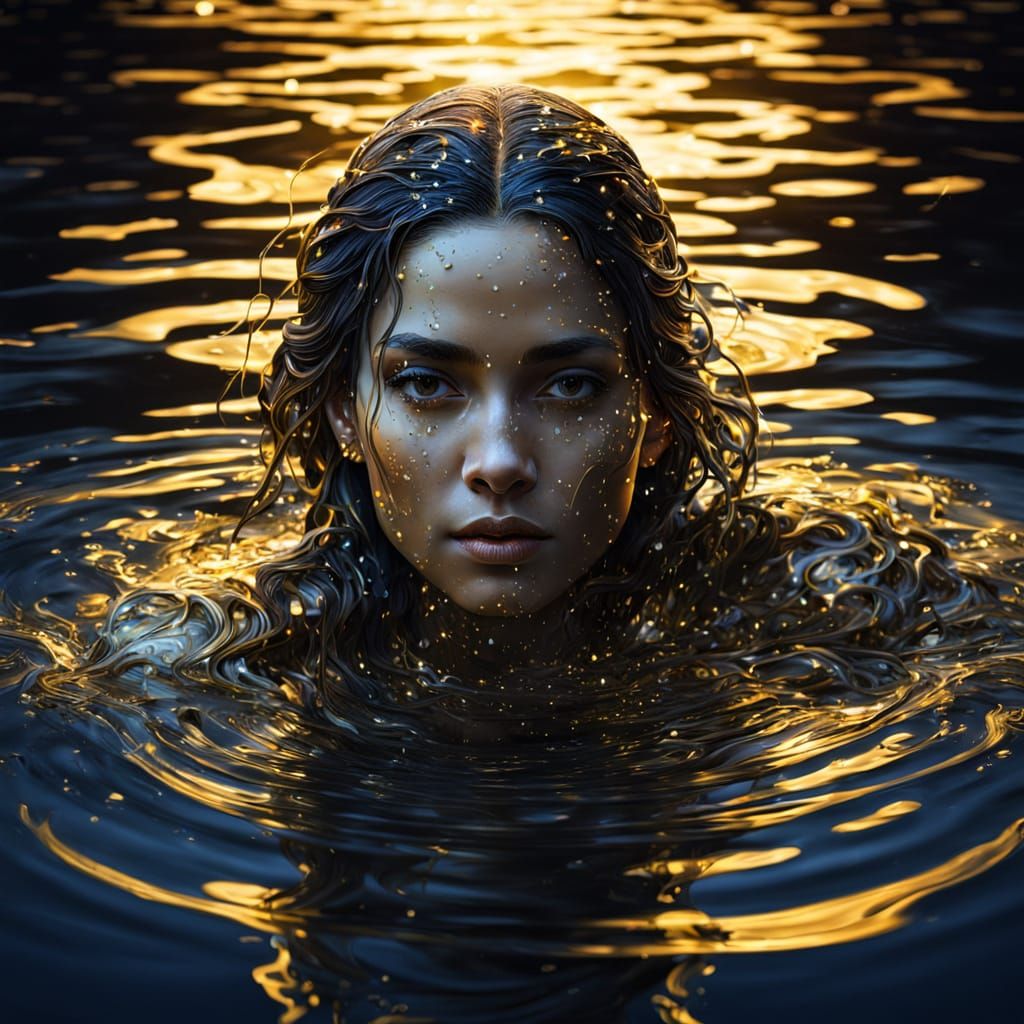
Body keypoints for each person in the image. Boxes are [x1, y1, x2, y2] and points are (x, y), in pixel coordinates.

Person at [87, 83, 1000, 739]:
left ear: (659, 417)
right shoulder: (207, 665)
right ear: (340, 411)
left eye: (570, 387)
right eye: (426, 384)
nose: (498, 460)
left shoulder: (842, 608)